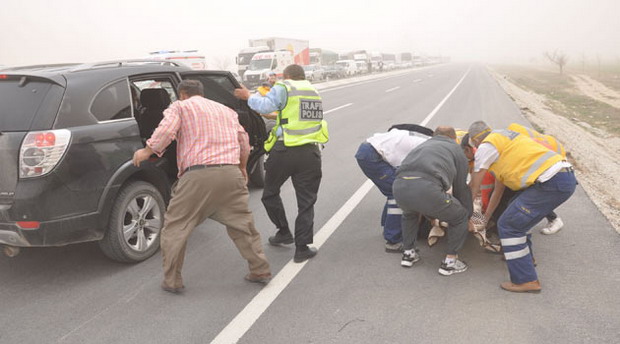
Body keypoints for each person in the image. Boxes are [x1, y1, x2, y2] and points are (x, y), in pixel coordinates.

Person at [133, 80, 271, 293]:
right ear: (202, 93)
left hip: (197, 176)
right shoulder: (226, 110)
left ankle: (172, 280)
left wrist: (146, 151)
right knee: (243, 225)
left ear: (182, 94)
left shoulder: (180, 106)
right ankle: (260, 269)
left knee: (175, 228)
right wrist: (242, 168)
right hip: (230, 174)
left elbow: (166, 130)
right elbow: (243, 140)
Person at [233, 64, 328, 263]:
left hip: (285, 151)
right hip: (310, 153)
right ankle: (302, 248)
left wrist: (248, 96)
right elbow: (288, 115)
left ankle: (284, 231)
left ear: (286, 76)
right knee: (306, 202)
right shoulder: (313, 92)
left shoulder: (284, 87)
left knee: (269, 194)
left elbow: (266, 106)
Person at [467, 121, 577, 293]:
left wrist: (468, 216)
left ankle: (526, 280)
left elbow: (474, 186)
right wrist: (486, 218)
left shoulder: (486, 147)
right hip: (561, 178)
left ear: (475, 142)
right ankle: (526, 258)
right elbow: (498, 190)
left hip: (550, 182)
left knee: (509, 225)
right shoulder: (502, 141)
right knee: (515, 215)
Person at [393, 126, 473, 275]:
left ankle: (408, 253)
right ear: (454, 138)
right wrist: (468, 214)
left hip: (399, 186)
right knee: (460, 216)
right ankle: (450, 262)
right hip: (427, 187)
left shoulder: (422, 145)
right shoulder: (456, 149)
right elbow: (461, 188)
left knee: (409, 214)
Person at [355, 125, 433, 253]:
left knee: (394, 190)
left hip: (369, 149)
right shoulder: (428, 147)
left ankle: (388, 226)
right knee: (397, 193)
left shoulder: (425, 139)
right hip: (372, 155)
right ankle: (393, 240)